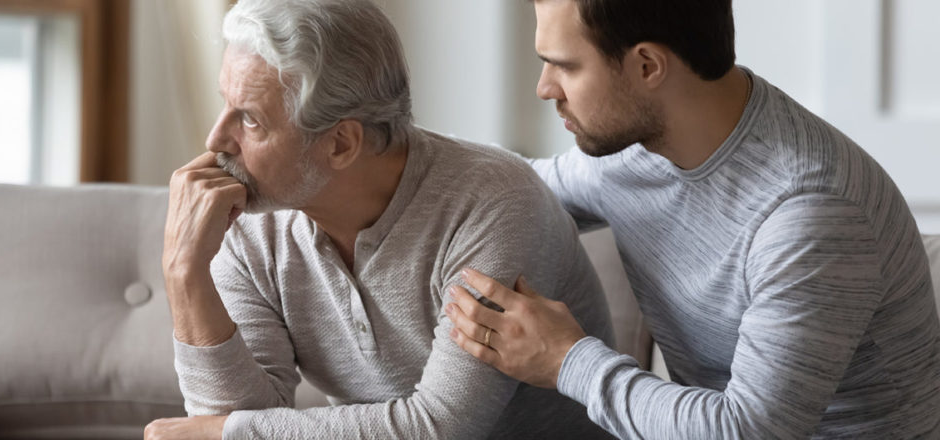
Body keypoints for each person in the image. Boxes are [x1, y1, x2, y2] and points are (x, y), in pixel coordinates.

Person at [445, 0, 940, 438]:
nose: (544, 88)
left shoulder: (808, 214)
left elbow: (745, 431)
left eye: (565, 67)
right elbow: (514, 188)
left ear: (646, 65)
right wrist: (394, 148)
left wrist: (563, 359)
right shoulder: (632, 155)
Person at [143, 0, 615, 438]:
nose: (215, 140)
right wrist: (185, 275)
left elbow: (442, 427)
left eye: (250, 120)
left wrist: (232, 434)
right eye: (225, 103)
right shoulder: (251, 213)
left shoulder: (492, 203)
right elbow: (236, 418)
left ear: (341, 144)